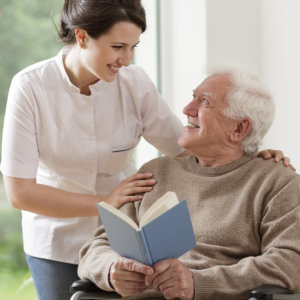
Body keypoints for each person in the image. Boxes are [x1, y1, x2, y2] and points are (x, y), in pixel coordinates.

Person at [0, 0, 290, 298]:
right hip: (58, 236)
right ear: (82, 37)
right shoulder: (31, 87)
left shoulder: (134, 83)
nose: (127, 59)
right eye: (117, 47)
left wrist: (257, 159)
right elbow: (20, 193)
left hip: (127, 236)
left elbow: (191, 145)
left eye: (133, 46)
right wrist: (107, 203)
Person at [77, 67, 300, 300]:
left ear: (239, 128)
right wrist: (112, 269)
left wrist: (198, 283)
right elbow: (96, 246)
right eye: (193, 97)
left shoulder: (278, 183)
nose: (186, 109)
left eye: (204, 102)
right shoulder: (154, 172)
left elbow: (291, 263)